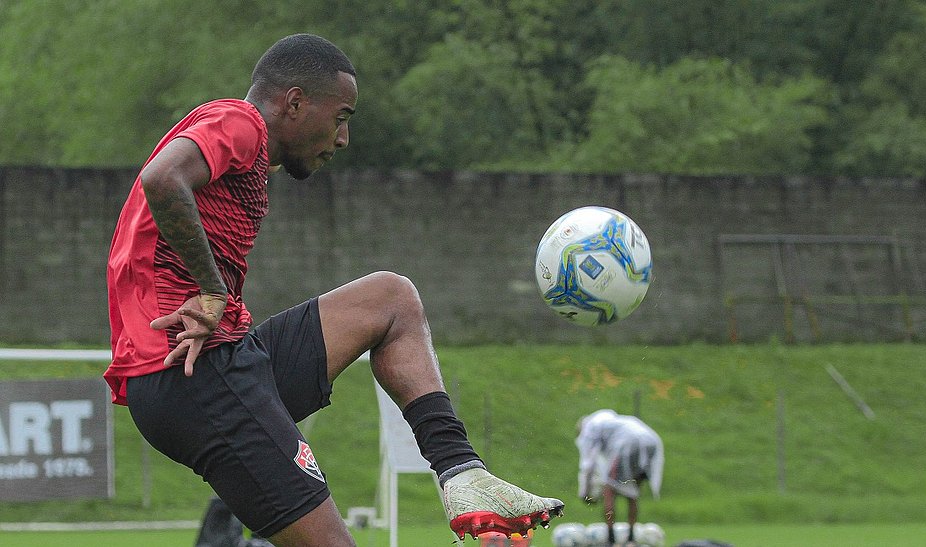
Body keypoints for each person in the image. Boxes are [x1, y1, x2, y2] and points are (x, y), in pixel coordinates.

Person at [105, 33, 563, 546]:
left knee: (391, 300)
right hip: (194, 376)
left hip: (224, 363)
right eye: (341, 117)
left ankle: (463, 475)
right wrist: (213, 291)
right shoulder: (240, 122)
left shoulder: (248, 153)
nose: (342, 138)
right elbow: (162, 178)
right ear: (295, 102)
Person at [576, 410, 663, 547]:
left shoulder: (590, 429)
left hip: (626, 442)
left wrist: (585, 494)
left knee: (609, 489)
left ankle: (611, 539)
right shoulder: (610, 422)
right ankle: (631, 538)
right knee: (633, 490)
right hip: (651, 440)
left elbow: (588, 464)